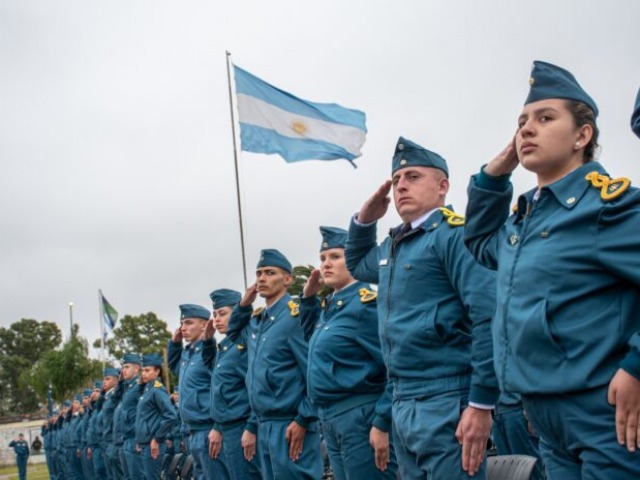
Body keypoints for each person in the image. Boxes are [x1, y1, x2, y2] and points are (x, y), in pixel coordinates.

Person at [464, 60, 640, 478]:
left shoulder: (609, 208)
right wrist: (494, 174)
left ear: (583, 135)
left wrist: (637, 367)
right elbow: (479, 244)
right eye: (522, 121)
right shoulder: (523, 220)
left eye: (545, 118)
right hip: (541, 413)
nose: (526, 129)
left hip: (602, 411)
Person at [345, 137, 498, 479]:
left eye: (413, 177)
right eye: (397, 181)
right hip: (403, 398)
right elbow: (356, 265)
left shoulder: (454, 235)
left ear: (443, 186)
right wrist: (364, 221)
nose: (401, 187)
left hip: (447, 394)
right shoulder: (394, 246)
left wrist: (481, 401)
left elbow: (487, 315)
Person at [300, 226, 398, 479]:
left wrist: (382, 421)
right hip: (331, 418)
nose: (326, 264)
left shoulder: (365, 305)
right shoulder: (330, 307)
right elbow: (312, 340)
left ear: (352, 260)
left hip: (360, 416)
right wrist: (308, 299)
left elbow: (395, 366)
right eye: (322, 259)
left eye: (335, 257)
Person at [228, 249, 323, 479]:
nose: (262, 278)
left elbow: (313, 372)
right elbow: (234, 333)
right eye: (259, 273)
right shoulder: (259, 321)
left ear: (287, 279)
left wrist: (304, 418)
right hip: (265, 423)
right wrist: (243, 305)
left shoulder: (295, 316)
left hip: (291, 423)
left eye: (270, 273)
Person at [168, 303, 230, 480]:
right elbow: (173, 367)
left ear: (204, 325)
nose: (183, 328)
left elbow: (222, 391)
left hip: (208, 428)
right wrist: (174, 342)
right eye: (182, 323)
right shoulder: (188, 354)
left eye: (188, 323)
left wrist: (217, 426)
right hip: (192, 431)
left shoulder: (210, 353)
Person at [208, 288, 262, 479]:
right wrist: (217, 425)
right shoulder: (225, 346)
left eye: (222, 314)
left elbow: (256, 387)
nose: (216, 319)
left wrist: (251, 426)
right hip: (229, 427)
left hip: (243, 426)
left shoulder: (245, 344)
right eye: (214, 314)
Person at [135, 353, 179, 480]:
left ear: (157, 371)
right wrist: (140, 440)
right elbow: (144, 417)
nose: (143, 373)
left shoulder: (157, 389)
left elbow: (171, 416)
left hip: (153, 445)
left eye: (147, 370)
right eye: (143, 370)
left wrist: (157, 438)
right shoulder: (147, 389)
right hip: (145, 443)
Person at [113, 353, 143, 480]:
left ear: (136, 368)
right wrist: (119, 383)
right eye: (123, 367)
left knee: (138, 476)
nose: (123, 370)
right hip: (125, 440)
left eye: (127, 367)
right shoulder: (126, 388)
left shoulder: (140, 386)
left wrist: (140, 438)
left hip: (135, 440)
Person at [100, 366, 122, 480]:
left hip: (114, 441)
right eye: (104, 379)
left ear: (116, 379)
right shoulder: (107, 398)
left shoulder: (116, 397)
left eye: (108, 379)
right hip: (107, 442)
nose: (104, 382)